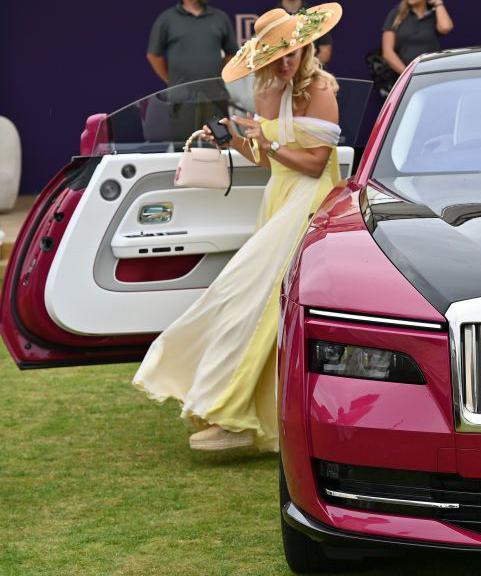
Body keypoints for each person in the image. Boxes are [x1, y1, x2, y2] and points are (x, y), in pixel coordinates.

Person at [133, 4, 345, 452]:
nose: (285, 62)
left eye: (291, 52)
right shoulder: (265, 91)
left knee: (257, 298)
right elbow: (266, 160)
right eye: (274, 55)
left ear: (305, 47)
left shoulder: (322, 88)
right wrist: (235, 139)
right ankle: (232, 410)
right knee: (246, 299)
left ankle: (233, 412)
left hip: (312, 206)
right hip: (278, 201)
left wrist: (264, 140)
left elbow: (315, 164)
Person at [147, 0, 238, 87]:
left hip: (216, 93)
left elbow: (232, 53)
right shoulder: (166, 19)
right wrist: (171, 81)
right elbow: (154, 55)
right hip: (181, 95)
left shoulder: (220, 17)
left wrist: (222, 76)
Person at [382, 0, 454, 75]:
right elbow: (388, 52)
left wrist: (438, 3)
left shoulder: (434, 14)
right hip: (402, 74)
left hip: (431, 72)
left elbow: (445, 28)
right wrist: (408, 75)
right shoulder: (396, 14)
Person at [279, 0, 334, 65]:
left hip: (309, 70)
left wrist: (307, 69)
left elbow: (325, 51)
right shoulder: (272, 16)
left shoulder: (316, 14)